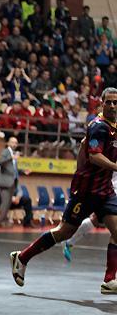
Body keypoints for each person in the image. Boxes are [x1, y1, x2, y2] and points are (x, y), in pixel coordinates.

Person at [10, 88, 117, 294]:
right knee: (64, 232)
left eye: (116, 102)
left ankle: (109, 280)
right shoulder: (98, 126)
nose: (112, 106)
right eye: (109, 102)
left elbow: (84, 146)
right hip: (86, 190)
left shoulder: (114, 127)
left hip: (105, 190)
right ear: (102, 103)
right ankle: (22, 258)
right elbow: (94, 156)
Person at [0, 136, 32, 228]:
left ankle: (4, 220)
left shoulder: (13, 154)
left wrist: (23, 171)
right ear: (8, 143)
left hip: (12, 182)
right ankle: (0, 221)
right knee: (5, 203)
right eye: (12, 142)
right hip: (5, 182)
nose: (14, 144)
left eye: (16, 143)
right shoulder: (6, 152)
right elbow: (0, 162)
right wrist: (11, 157)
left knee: (7, 203)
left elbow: (13, 170)